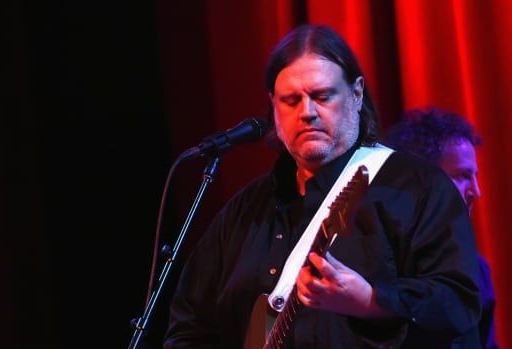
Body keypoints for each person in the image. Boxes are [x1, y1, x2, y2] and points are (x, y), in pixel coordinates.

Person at [163, 24, 481, 348]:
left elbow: (459, 304)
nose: (307, 113)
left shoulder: (417, 188)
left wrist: (371, 301)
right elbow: (188, 329)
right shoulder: (241, 214)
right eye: (290, 100)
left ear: (356, 94)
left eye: (322, 96)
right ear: (273, 106)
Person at [384, 106, 498, 349]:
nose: (476, 192)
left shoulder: (476, 268)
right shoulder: (374, 267)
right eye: (462, 176)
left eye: (475, 176)